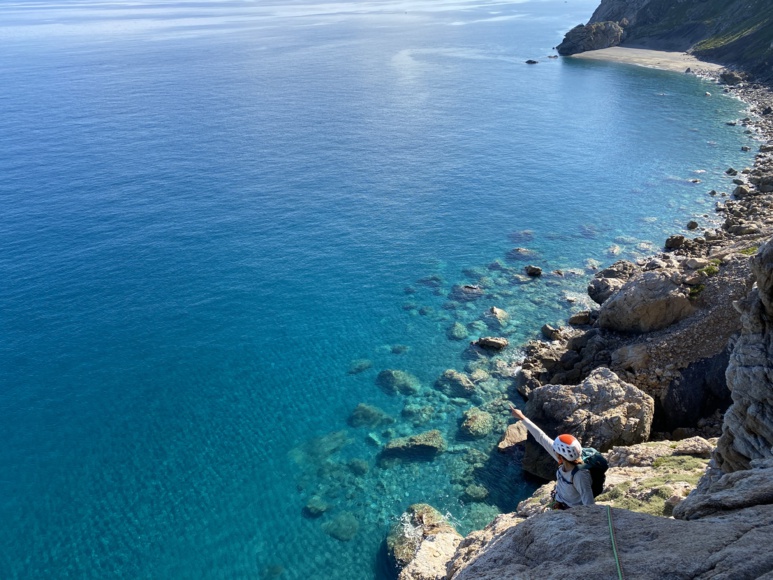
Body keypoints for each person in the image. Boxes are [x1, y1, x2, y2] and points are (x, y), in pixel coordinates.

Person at [510, 405, 594, 509]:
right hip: (560, 503)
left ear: (560, 455)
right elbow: (541, 437)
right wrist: (522, 417)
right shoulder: (566, 461)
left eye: (555, 450)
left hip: (570, 511)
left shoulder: (580, 476)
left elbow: (589, 505)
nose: (553, 450)